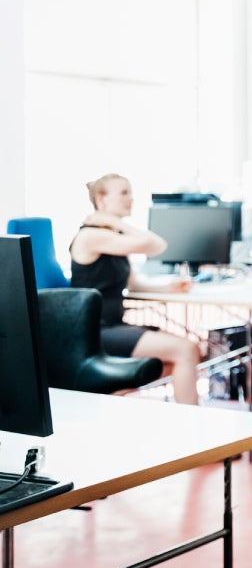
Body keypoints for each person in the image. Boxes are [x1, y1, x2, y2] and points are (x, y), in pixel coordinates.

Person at [70, 173, 202, 405]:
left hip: (113, 325)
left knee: (171, 361)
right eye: (123, 193)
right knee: (186, 350)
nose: (131, 198)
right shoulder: (91, 236)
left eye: (130, 192)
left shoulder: (112, 238)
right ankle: (192, 423)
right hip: (94, 330)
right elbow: (157, 245)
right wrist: (114, 222)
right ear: (101, 200)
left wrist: (168, 288)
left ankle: (106, 397)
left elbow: (134, 284)